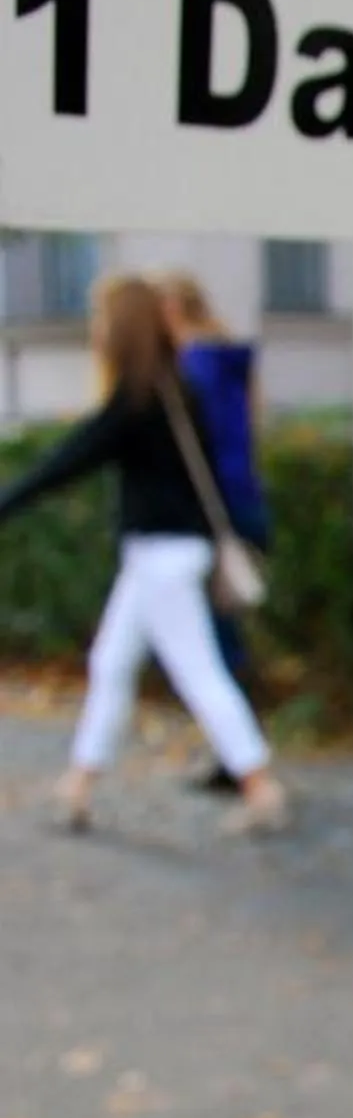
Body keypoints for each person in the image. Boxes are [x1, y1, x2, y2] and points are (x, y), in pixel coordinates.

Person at [0, 272, 288, 834]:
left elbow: (63, 463)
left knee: (198, 674)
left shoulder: (136, 403)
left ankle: (260, 786)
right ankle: (78, 786)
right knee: (111, 664)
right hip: (167, 554)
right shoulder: (178, 393)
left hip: (162, 556)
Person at [159, 271, 271, 783]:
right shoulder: (226, 361)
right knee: (221, 636)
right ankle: (238, 756)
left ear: (171, 311)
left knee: (214, 643)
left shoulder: (194, 365)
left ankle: (241, 761)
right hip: (239, 504)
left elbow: (205, 451)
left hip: (212, 514)